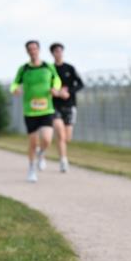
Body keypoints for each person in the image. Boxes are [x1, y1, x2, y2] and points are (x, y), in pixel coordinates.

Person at [10, 40, 65, 183]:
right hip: (30, 110)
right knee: (33, 142)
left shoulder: (48, 66)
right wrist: (14, 89)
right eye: (30, 49)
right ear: (27, 51)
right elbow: (15, 83)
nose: (32, 51)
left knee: (46, 139)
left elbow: (57, 80)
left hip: (46, 108)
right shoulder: (24, 69)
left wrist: (56, 89)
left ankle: (42, 154)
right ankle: (31, 169)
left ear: (39, 50)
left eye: (35, 48)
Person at [49, 42, 84, 172]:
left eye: (60, 51)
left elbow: (80, 84)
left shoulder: (70, 68)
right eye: (56, 51)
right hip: (54, 106)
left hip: (69, 105)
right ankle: (63, 160)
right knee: (60, 133)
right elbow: (46, 85)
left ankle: (60, 148)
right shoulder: (49, 69)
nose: (58, 53)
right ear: (52, 53)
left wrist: (68, 91)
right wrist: (54, 91)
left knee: (67, 137)